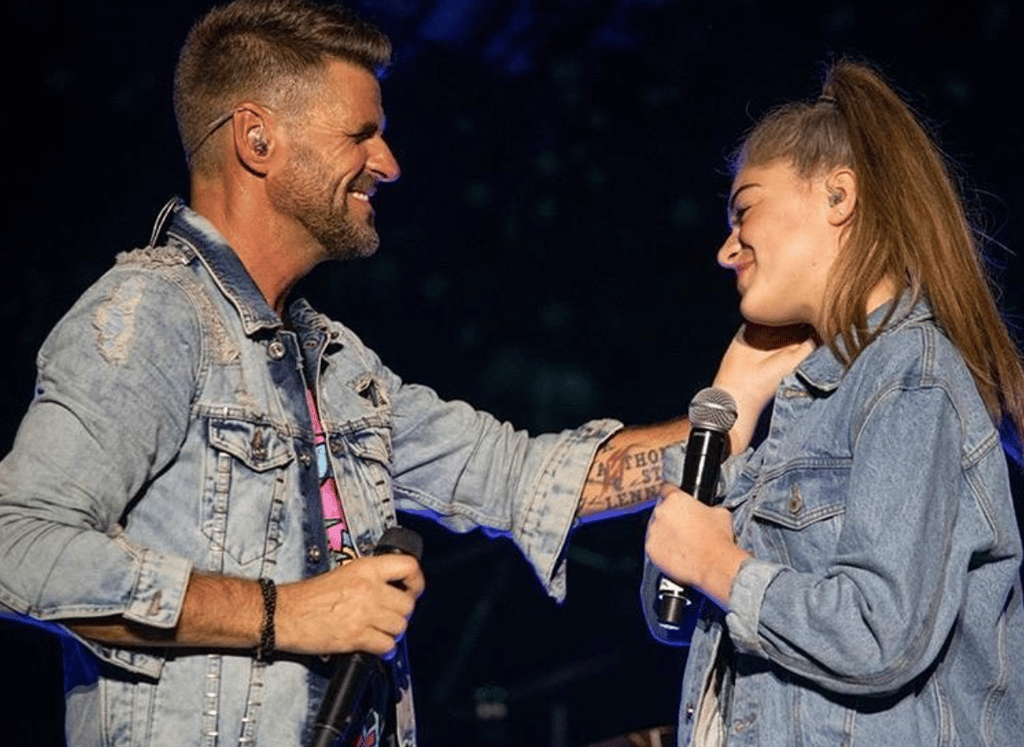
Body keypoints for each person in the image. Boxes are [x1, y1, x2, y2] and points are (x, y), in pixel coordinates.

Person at [0, 2, 806, 746]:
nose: (388, 162)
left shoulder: (339, 365)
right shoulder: (152, 313)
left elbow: (522, 477)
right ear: (257, 140)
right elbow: (18, 545)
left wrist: (737, 397)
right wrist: (287, 612)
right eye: (361, 134)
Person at [643, 59, 1024, 746]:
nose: (727, 249)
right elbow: (668, 611)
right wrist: (731, 403)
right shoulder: (804, 409)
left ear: (838, 195)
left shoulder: (912, 376)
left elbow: (880, 631)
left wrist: (717, 564)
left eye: (744, 208)